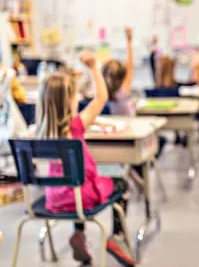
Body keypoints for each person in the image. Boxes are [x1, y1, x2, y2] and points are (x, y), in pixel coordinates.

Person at [36, 50, 135, 266]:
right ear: (69, 102)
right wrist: (93, 67)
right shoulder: (76, 125)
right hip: (82, 197)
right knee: (121, 184)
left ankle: (78, 233)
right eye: (74, 97)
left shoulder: (39, 135)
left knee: (73, 188)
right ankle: (116, 236)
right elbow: (102, 97)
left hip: (54, 199)